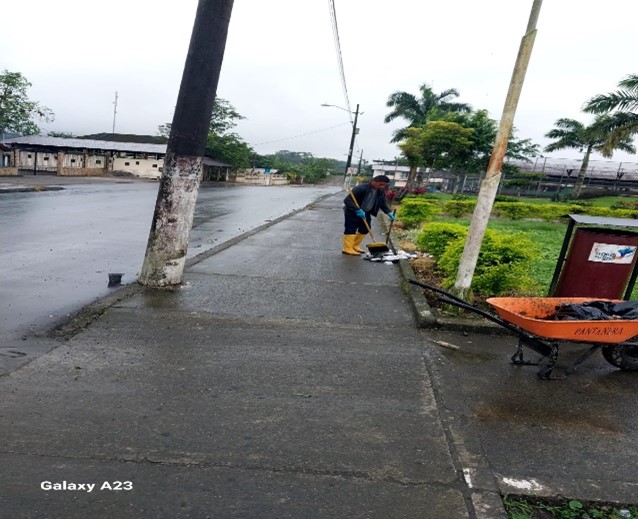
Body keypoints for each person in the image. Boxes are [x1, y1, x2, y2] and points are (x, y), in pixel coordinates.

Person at [342, 175, 396, 255]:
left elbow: (382, 203)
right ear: (373, 181)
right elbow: (347, 200)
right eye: (380, 184)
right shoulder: (361, 188)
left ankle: (354, 245)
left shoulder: (380, 191)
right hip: (353, 211)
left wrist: (388, 212)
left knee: (365, 229)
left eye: (384, 185)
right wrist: (357, 209)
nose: (382, 187)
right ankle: (347, 248)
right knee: (351, 229)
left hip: (366, 212)